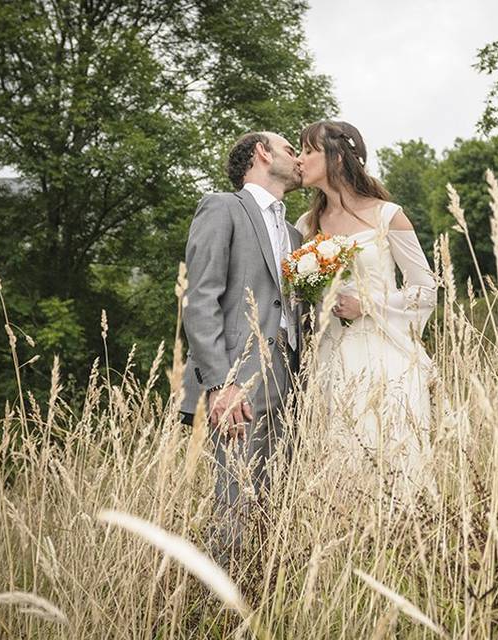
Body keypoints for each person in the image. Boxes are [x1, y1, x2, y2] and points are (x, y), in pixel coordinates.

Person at [180, 131, 306, 568]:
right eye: (291, 149)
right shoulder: (223, 208)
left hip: (292, 378)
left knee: (279, 496)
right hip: (239, 379)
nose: (299, 157)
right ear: (262, 153)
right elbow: (200, 300)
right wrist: (220, 383)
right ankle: (224, 599)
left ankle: (268, 588)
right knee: (234, 496)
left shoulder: (293, 230)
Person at [294, 120, 438, 503]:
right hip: (330, 357)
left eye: (308, 150)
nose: (300, 159)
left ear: (337, 156)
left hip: (385, 354)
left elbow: (425, 289)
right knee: (340, 455)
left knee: (392, 449)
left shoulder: (388, 215)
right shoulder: (306, 225)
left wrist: (368, 305)